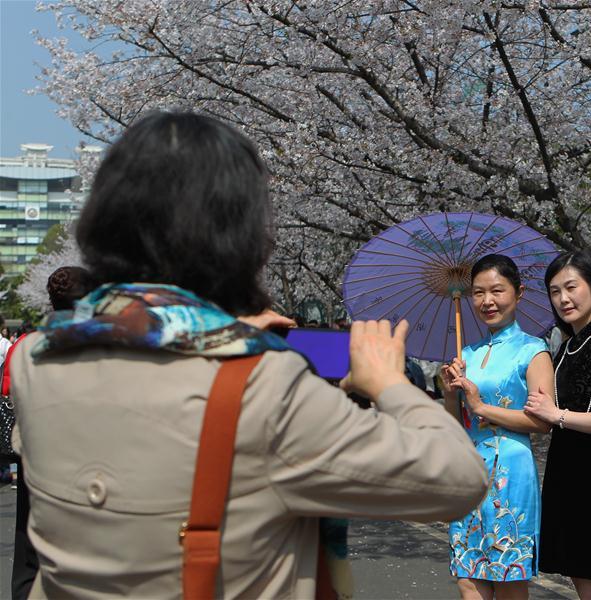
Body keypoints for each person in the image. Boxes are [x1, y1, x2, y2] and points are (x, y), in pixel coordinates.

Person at [10, 112, 489, 598]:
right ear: (239, 234)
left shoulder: (41, 360)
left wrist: (225, 335)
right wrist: (389, 382)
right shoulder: (260, 385)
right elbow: (458, 480)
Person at [442, 253, 554, 600]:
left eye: (497, 291)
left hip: (510, 468)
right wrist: (450, 394)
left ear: (518, 293)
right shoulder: (467, 355)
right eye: (478, 293)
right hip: (470, 468)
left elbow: (543, 422)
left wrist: (480, 406)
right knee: (468, 574)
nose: (487, 301)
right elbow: (456, 427)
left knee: (507, 576)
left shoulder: (533, 351)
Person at [520, 250, 591, 599]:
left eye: (571, 287)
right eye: (555, 291)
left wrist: (557, 415)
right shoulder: (566, 347)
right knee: (581, 580)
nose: (563, 299)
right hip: (565, 468)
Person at [8, 266, 96, 600]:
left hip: (35, 447)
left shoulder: (29, 345)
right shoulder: (101, 345)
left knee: (29, 540)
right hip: (86, 451)